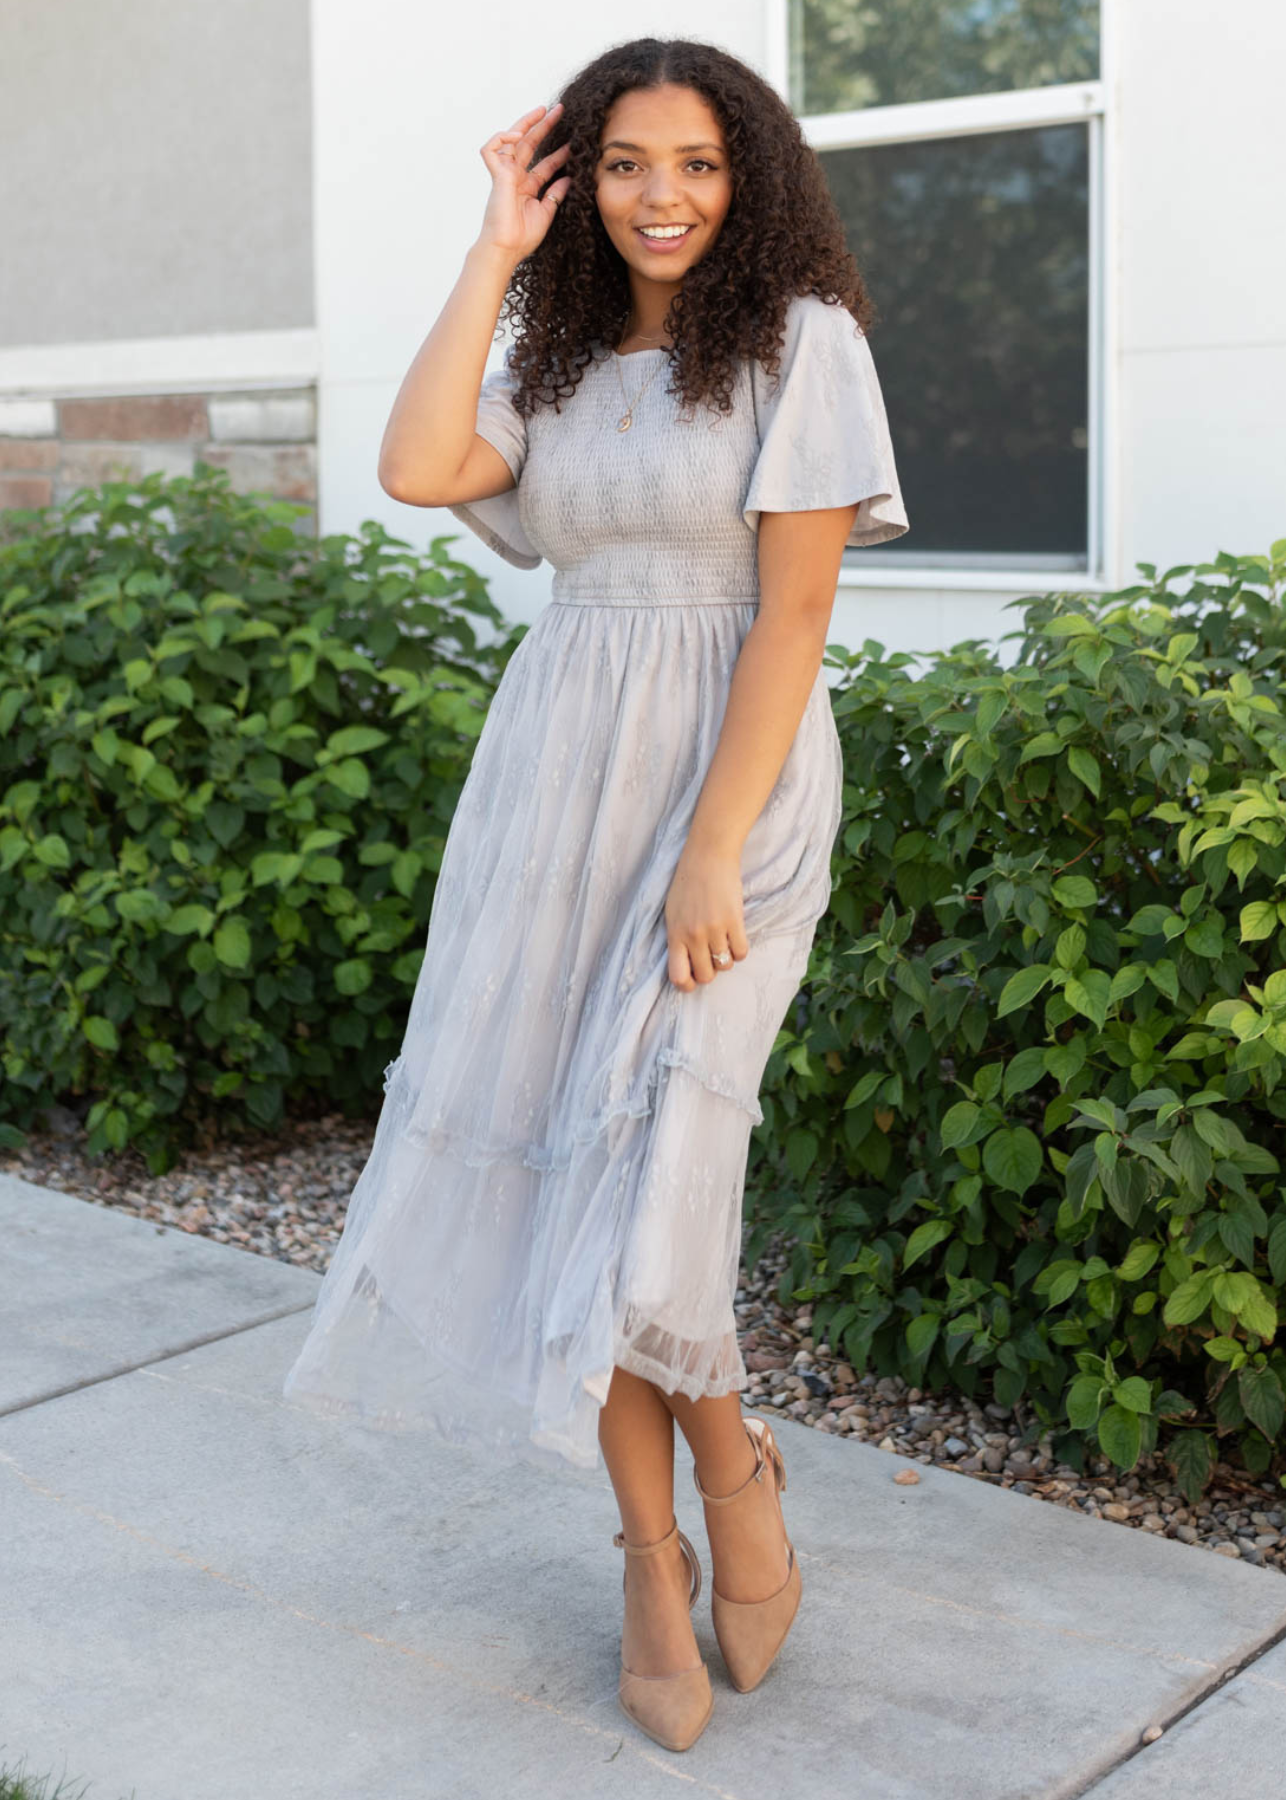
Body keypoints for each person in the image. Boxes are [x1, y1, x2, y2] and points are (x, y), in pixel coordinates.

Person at [281, 36, 907, 1754]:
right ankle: (661, 1543)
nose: (661, 197)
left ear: (750, 177)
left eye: (698, 164)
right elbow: (416, 467)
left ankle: (731, 1471)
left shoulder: (802, 344)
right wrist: (492, 245)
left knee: (661, 1161)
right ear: (583, 179)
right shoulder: (552, 360)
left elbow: (790, 618)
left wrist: (714, 847)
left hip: (734, 777)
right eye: (625, 163)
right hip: (559, 775)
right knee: (584, 1162)